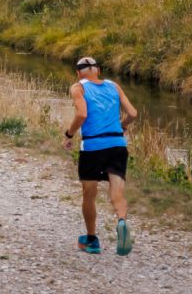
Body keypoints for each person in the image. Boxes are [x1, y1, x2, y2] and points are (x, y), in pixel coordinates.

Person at [64, 56, 138, 256]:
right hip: (117, 145)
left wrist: (69, 135)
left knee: (89, 194)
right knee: (117, 193)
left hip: (93, 147)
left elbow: (81, 115)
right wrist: (121, 126)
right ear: (97, 70)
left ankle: (91, 240)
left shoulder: (78, 87)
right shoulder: (114, 86)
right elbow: (133, 113)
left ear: (79, 72)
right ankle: (121, 221)